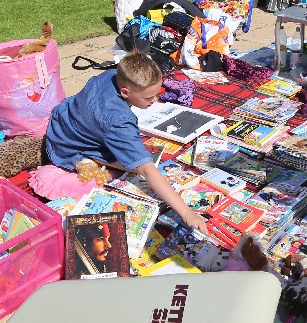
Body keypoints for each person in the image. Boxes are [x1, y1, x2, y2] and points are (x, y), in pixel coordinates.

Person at [45, 51, 209, 235]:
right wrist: (186, 213)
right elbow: (146, 170)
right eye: (148, 98)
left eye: (156, 94)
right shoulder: (118, 122)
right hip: (68, 146)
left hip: (64, 118)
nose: (155, 100)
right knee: (136, 166)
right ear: (125, 92)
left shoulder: (111, 75)